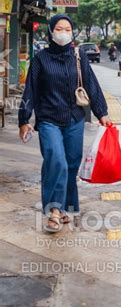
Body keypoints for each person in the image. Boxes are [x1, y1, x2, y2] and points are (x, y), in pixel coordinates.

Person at [18, 14, 110, 233]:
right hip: (49, 119)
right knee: (56, 160)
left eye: (67, 29)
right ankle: (54, 212)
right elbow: (30, 88)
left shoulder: (78, 56)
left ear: (72, 32)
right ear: (51, 31)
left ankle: (65, 207)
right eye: (59, 28)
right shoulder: (41, 58)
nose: (63, 32)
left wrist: (102, 113)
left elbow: (91, 84)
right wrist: (24, 119)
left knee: (70, 163)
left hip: (74, 118)